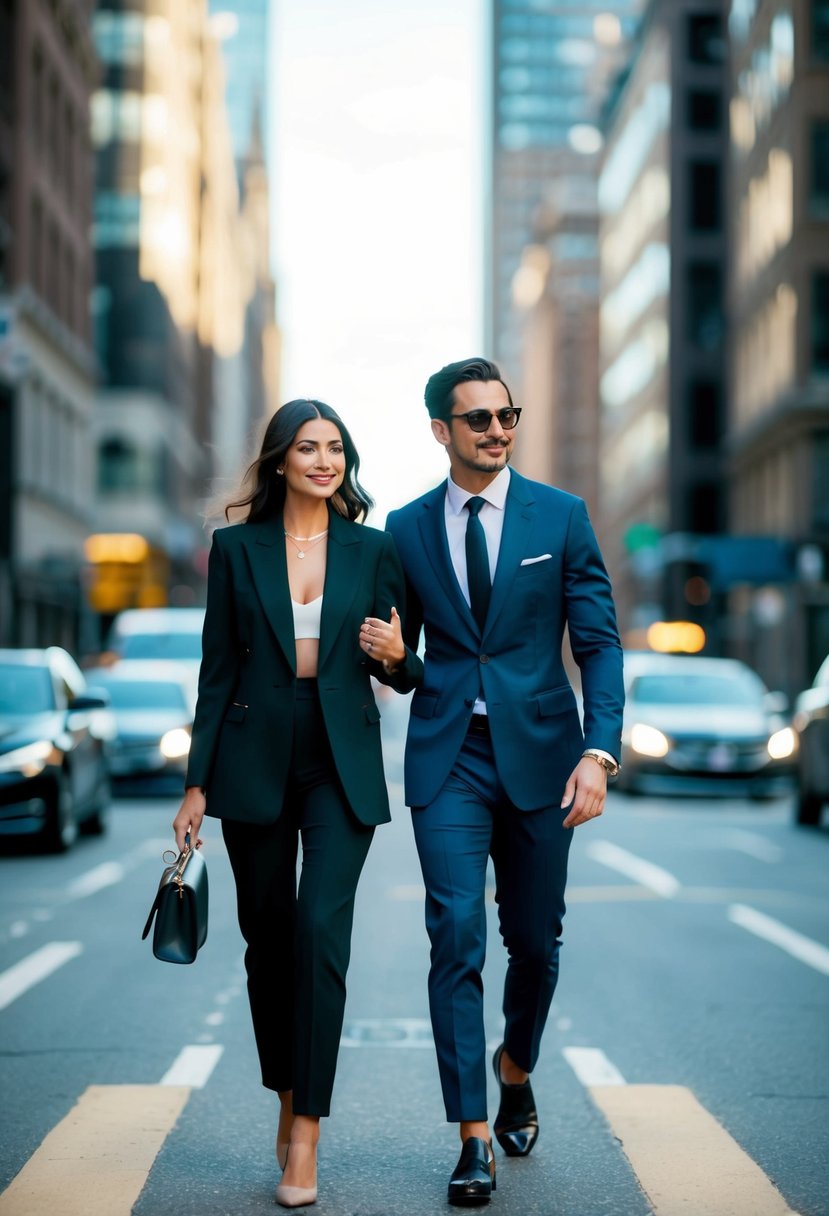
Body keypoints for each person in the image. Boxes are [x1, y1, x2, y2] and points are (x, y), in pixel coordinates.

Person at [386, 358, 624, 1206]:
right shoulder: (406, 529)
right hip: (448, 758)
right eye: (477, 419)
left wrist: (598, 754)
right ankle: (472, 1135)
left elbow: (596, 643)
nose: (496, 430)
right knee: (454, 934)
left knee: (535, 943)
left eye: (505, 415)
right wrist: (397, 660)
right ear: (440, 432)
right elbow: (410, 664)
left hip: (544, 759)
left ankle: (514, 1066)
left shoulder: (560, 517)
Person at [173, 399, 422, 1210]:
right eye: (308, 448)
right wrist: (194, 783)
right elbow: (217, 671)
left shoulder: (374, 550)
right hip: (251, 758)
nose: (325, 460)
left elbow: (405, 666)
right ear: (279, 460)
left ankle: (307, 1134)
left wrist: (397, 658)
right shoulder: (234, 549)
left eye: (336, 448)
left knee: (319, 932)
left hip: (339, 758)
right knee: (268, 941)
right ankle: (283, 1096)